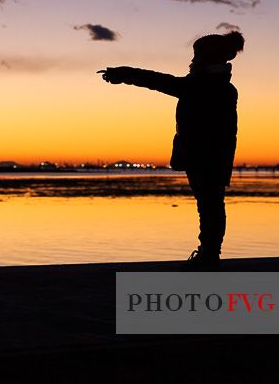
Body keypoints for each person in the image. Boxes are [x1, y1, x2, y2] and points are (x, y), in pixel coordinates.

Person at [99, 31, 244, 270]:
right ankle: (209, 253)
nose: (193, 59)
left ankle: (208, 255)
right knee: (211, 204)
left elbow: (158, 81)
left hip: (203, 157)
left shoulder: (201, 85)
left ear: (204, 58)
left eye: (196, 55)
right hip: (217, 157)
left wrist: (123, 74)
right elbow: (161, 81)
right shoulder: (224, 88)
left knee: (208, 205)